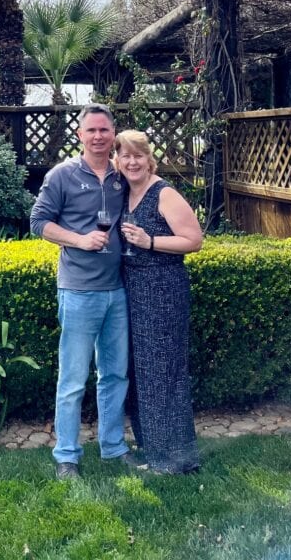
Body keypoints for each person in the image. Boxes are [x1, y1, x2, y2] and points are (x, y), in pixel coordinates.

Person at [30, 102, 140, 479]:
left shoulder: (121, 174)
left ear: (113, 134)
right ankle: (66, 456)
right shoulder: (62, 175)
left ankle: (113, 447)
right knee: (73, 378)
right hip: (78, 290)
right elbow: (38, 222)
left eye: (104, 130)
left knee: (115, 375)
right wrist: (78, 240)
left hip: (118, 290)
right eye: (91, 130)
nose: (98, 137)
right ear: (80, 135)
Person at [114, 129, 203, 474]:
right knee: (142, 372)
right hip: (133, 290)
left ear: (149, 159)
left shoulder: (163, 193)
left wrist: (150, 241)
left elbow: (194, 240)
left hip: (163, 290)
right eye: (125, 156)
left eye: (138, 155)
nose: (132, 162)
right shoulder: (125, 194)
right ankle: (154, 449)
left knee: (163, 372)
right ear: (118, 161)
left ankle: (176, 459)